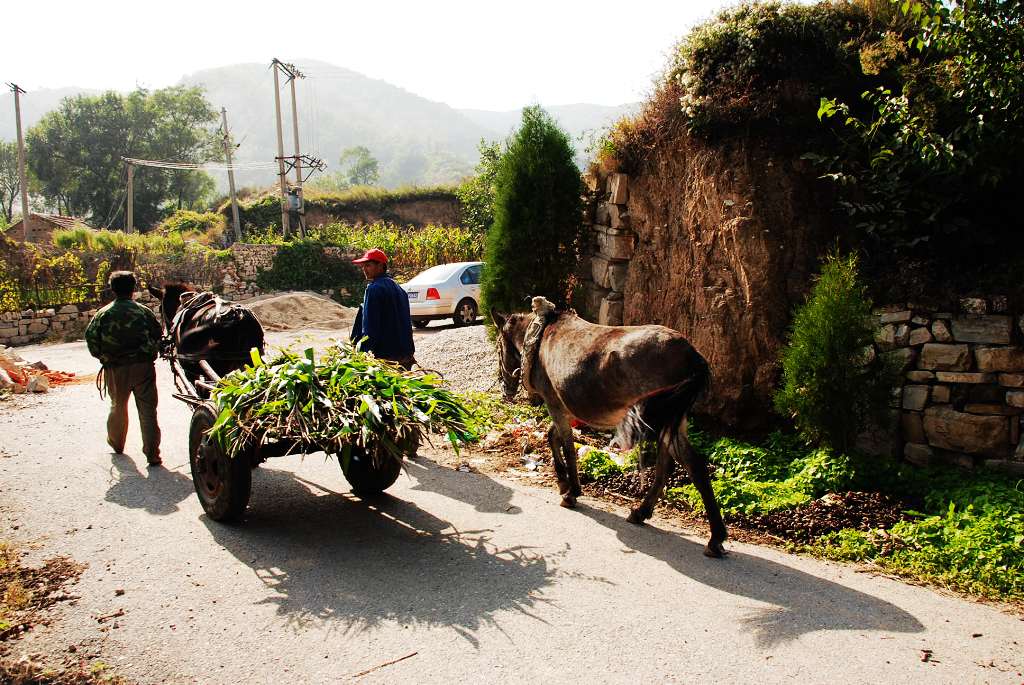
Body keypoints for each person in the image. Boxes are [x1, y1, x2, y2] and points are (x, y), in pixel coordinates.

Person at [85, 271, 163, 466]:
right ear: (133, 288)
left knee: (118, 406)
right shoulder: (144, 311)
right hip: (143, 368)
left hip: (115, 369)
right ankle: (152, 454)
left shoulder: (103, 314)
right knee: (148, 411)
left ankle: (117, 444)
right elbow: (158, 334)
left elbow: (92, 340)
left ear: (112, 289)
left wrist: (104, 357)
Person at [350, 248, 415, 369]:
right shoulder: (400, 290)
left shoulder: (373, 289)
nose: (364, 269)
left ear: (380, 266)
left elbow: (370, 328)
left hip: (385, 357)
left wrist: (362, 353)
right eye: (363, 266)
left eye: (368, 265)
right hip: (405, 355)